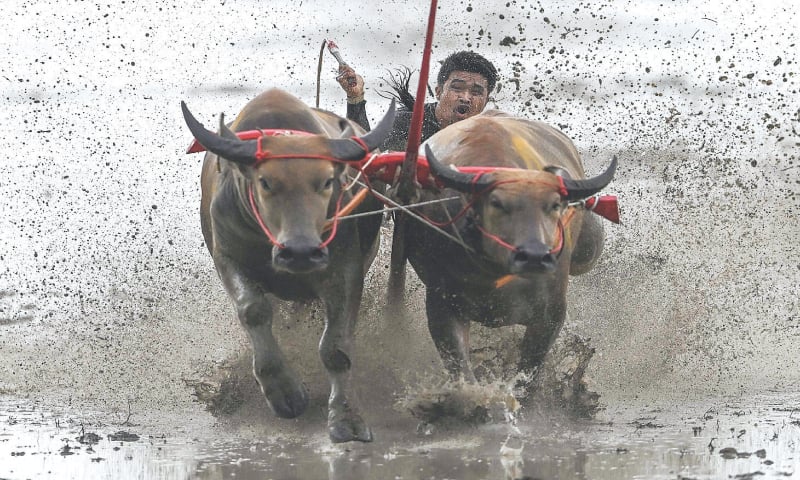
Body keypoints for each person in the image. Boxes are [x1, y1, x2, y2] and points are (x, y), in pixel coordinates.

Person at [337, 51, 498, 152]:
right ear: (439, 92)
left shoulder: (492, 137)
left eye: (476, 92)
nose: (465, 97)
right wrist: (355, 99)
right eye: (457, 88)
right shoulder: (407, 123)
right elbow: (366, 155)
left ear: (486, 101)